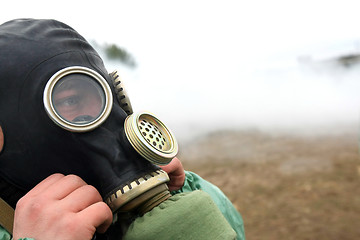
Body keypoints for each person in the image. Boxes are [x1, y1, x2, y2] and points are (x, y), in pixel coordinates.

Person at [0, 18, 245, 240]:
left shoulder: (192, 193)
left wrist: (178, 202)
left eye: (108, 98)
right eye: (70, 101)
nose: (109, 124)